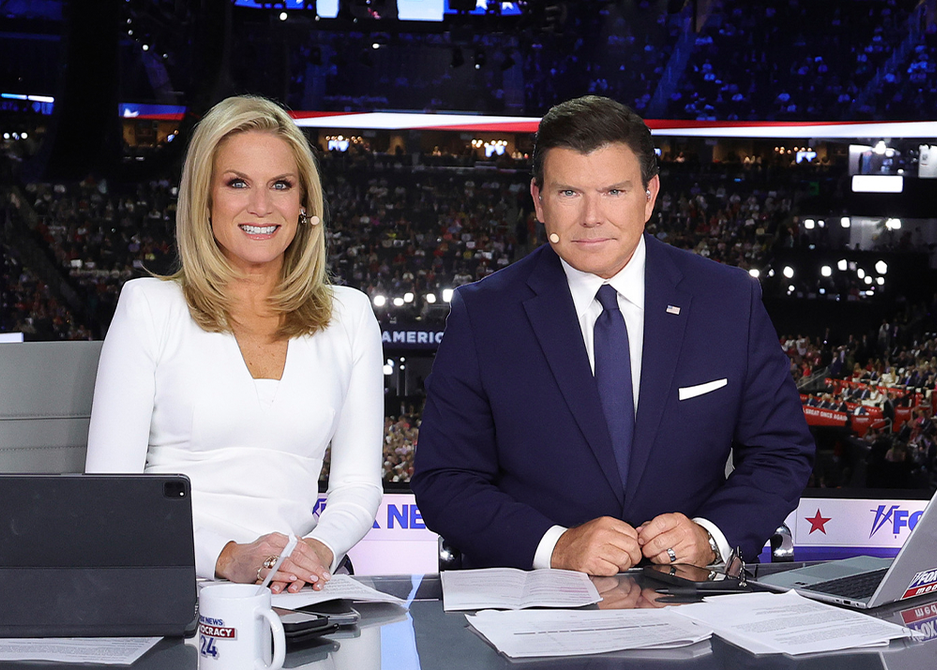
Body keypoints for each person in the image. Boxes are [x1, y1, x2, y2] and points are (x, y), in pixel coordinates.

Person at [411, 96, 814, 575]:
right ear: (539, 200)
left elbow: (780, 452)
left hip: (689, 600)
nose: (591, 217)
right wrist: (556, 547)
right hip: (534, 610)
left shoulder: (728, 300)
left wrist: (712, 535)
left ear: (650, 196)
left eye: (614, 192)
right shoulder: (484, 312)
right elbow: (446, 480)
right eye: (569, 193)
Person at [86, 95, 383, 592]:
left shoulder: (349, 316)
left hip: (295, 585)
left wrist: (315, 551)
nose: (261, 206)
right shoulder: (148, 307)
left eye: (281, 185)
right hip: (171, 579)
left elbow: (356, 486)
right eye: (237, 183)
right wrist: (228, 559)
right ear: (205, 199)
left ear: (305, 203)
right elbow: (110, 496)